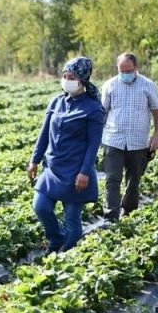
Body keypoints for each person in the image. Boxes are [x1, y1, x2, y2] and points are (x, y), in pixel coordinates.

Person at [27, 57, 104, 254]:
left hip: (76, 171)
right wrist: (34, 159)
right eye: (64, 76)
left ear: (82, 80)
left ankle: (70, 254)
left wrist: (85, 172)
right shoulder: (57, 102)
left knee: (72, 219)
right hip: (52, 167)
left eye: (71, 77)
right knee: (41, 206)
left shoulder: (93, 108)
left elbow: (93, 144)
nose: (66, 80)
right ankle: (55, 239)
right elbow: (44, 134)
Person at [100, 52, 158, 221]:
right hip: (113, 139)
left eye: (129, 71)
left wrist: (156, 135)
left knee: (133, 181)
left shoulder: (148, 85)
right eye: (122, 71)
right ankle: (111, 217)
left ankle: (128, 213)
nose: (125, 74)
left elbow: (157, 111)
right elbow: (102, 113)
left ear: (136, 68)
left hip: (138, 141)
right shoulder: (110, 85)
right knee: (112, 179)